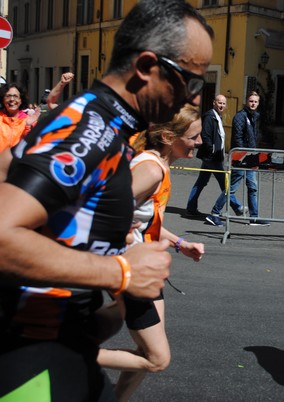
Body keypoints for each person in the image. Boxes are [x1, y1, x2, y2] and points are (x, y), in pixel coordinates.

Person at [0, 1, 214, 400]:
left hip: (63, 345)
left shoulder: (97, 124)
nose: (195, 98)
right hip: (35, 359)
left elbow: (7, 171)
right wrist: (120, 274)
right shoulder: (90, 130)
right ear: (148, 68)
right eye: (192, 81)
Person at [98, 104, 205, 401]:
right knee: (157, 359)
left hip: (140, 267)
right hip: (130, 268)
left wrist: (180, 243)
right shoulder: (151, 168)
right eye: (194, 137)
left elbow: (145, 221)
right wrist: (120, 228)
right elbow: (104, 204)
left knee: (143, 347)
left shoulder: (158, 163)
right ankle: (66, 352)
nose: (199, 142)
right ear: (170, 137)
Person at [206, 91, 269, 226]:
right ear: (246, 101)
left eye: (256, 102)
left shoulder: (255, 116)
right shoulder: (241, 116)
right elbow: (238, 137)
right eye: (251, 101)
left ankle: (254, 217)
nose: (253, 103)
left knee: (252, 187)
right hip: (241, 158)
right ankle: (214, 213)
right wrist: (243, 155)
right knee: (232, 188)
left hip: (251, 157)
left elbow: (254, 137)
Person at [186, 94, 244, 222]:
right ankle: (237, 206)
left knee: (201, 182)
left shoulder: (217, 117)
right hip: (212, 157)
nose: (222, 105)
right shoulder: (209, 116)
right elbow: (206, 136)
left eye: (224, 103)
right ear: (214, 103)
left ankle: (190, 207)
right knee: (225, 183)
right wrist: (212, 151)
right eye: (219, 103)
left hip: (213, 157)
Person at [0, 83, 40, 151]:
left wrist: (28, 126)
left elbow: (31, 145)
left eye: (16, 96)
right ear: (3, 100)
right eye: (8, 96)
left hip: (18, 160)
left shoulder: (29, 121)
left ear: (21, 100)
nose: (12, 99)